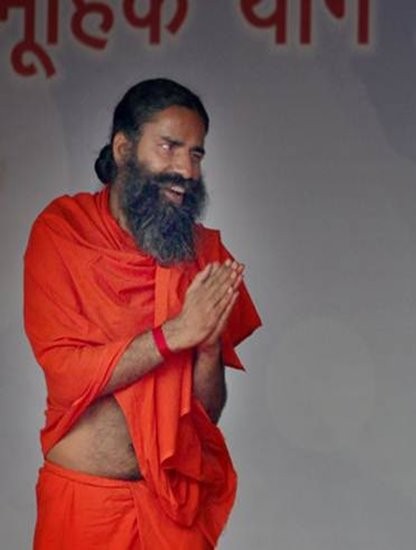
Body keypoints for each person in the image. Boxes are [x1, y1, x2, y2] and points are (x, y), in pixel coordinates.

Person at [24, 78, 262, 549]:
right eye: (169, 147)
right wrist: (174, 334)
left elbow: (207, 414)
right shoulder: (65, 232)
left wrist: (207, 345)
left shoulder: (199, 253)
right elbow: (68, 374)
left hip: (170, 509)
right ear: (123, 149)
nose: (186, 170)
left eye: (196, 154)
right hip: (87, 508)